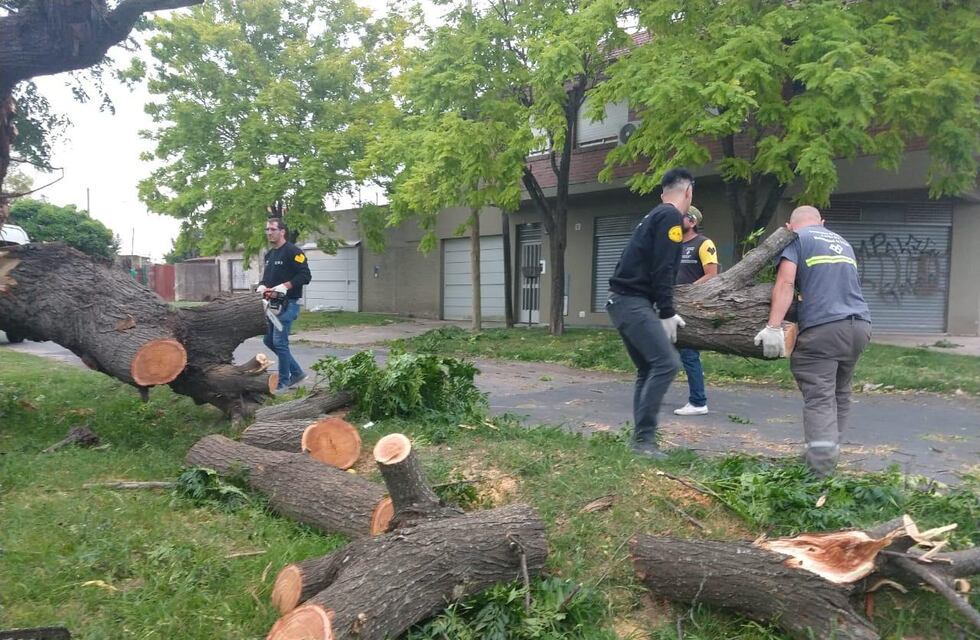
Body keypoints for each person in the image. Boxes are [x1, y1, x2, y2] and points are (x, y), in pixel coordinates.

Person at [754, 205, 871, 477]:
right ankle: (827, 455)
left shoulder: (797, 239)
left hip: (824, 328)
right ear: (822, 222)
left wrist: (773, 326)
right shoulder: (842, 242)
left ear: (789, 226)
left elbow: (785, 283)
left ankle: (819, 472)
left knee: (819, 396)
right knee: (839, 393)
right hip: (859, 326)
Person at [606, 167, 692, 459]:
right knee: (667, 364)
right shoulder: (670, 217)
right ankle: (644, 442)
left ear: (663, 192)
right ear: (688, 192)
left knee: (647, 368)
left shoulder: (654, 215)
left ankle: (640, 440)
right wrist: (667, 311)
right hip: (632, 302)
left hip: (620, 301)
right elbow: (663, 266)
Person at [673, 205, 719, 416]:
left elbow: (711, 275)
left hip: (690, 307)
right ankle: (652, 394)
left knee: (689, 353)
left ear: (692, 222)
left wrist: (689, 292)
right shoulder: (673, 245)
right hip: (670, 305)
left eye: (680, 217)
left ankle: (698, 402)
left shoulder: (703, 243)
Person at [257, 217, 312, 393]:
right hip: (272, 306)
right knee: (268, 340)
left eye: (273, 229)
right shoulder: (269, 255)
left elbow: (305, 276)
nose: (269, 233)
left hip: (288, 305)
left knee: (280, 342)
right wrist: (262, 285)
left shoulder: (293, 252)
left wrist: (286, 286)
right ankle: (297, 373)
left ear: (282, 232)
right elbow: (267, 278)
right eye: (267, 229)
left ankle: (283, 383)